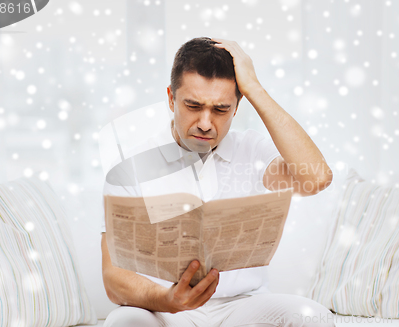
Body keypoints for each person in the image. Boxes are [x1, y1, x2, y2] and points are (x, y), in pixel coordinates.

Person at [101, 37, 335, 327]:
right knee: (123, 322)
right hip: (161, 306)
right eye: (193, 105)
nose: (205, 123)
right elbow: (113, 280)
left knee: (314, 318)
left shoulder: (251, 150)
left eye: (221, 109)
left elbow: (317, 178)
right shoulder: (128, 168)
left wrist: (254, 89)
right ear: (171, 98)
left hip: (243, 306)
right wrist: (168, 300)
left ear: (237, 107)